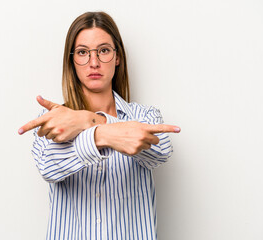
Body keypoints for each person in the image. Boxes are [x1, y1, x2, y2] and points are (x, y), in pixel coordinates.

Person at [18, 11, 180, 240]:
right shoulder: (52, 120)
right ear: (72, 60)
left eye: (103, 50)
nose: (94, 62)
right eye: (83, 52)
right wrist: (102, 133)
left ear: (117, 57)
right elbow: (48, 168)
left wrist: (90, 121)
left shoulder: (145, 116)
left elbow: (160, 153)